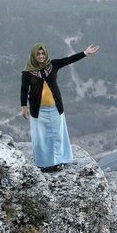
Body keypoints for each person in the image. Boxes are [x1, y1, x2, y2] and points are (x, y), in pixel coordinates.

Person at [20, 42, 100, 172]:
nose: (41, 56)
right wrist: (24, 106)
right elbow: (24, 90)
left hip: (55, 108)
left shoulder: (53, 65)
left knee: (58, 135)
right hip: (38, 110)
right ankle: (43, 164)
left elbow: (69, 60)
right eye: (38, 54)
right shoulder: (27, 72)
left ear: (46, 54)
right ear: (34, 56)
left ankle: (59, 161)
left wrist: (85, 53)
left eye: (43, 53)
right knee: (41, 138)